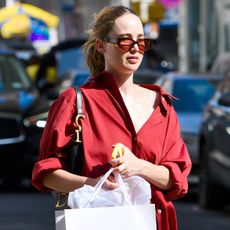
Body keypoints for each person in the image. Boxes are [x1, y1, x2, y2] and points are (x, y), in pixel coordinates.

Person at [32, 5, 192, 230]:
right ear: (101, 45)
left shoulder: (161, 105)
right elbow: (46, 174)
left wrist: (138, 166)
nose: (135, 49)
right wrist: (91, 183)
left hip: (155, 223)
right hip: (97, 221)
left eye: (141, 41)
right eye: (125, 41)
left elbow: (177, 181)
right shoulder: (76, 101)